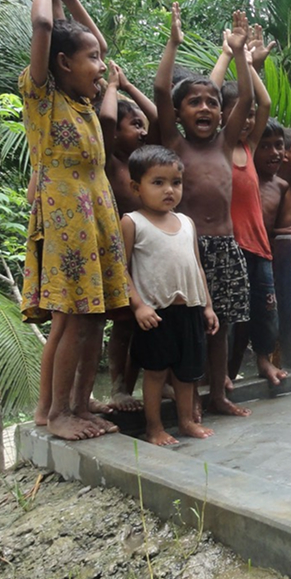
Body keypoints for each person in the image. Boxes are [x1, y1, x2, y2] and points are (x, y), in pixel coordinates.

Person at [20, 0, 128, 441]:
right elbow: (44, 25)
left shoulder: (82, 100)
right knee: (71, 319)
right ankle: (55, 412)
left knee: (94, 316)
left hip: (96, 216)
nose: (101, 64)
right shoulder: (43, 96)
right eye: (91, 61)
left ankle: (78, 404)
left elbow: (94, 39)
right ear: (63, 64)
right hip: (67, 220)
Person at [154, 2, 254, 416]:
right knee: (191, 325)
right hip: (188, 253)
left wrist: (239, 54)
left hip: (226, 247)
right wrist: (172, 43)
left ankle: (217, 393)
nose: (205, 109)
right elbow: (161, 90)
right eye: (194, 103)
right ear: (179, 114)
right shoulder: (175, 146)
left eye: (212, 102)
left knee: (222, 326)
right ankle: (188, 397)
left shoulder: (225, 143)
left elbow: (245, 96)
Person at [121, 145, 219, 446]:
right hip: (156, 313)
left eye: (175, 183)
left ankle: (186, 421)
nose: (169, 190)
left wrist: (208, 306)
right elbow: (119, 271)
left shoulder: (187, 223)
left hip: (189, 309)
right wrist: (138, 306)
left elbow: (197, 268)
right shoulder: (133, 222)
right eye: (158, 182)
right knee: (155, 373)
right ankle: (154, 428)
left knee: (187, 373)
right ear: (136, 187)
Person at [210, 26, 289, 388]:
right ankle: (222, 374)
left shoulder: (250, 147)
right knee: (231, 316)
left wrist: (251, 62)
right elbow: (220, 94)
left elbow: (266, 103)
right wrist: (232, 55)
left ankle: (261, 361)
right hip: (232, 243)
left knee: (264, 310)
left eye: (250, 114)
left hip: (259, 244)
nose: (249, 118)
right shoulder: (221, 148)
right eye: (242, 113)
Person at [99, 63, 159, 413]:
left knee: (146, 323)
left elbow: (156, 118)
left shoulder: (143, 163)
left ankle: (142, 384)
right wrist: (110, 88)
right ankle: (119, 388)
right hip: (121, 251)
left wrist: (129, 85)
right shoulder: (108, 162)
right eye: (133, 125)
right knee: (122, 324)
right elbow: (105, 122)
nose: (141, 130)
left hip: (149, 252)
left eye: (140, 126)